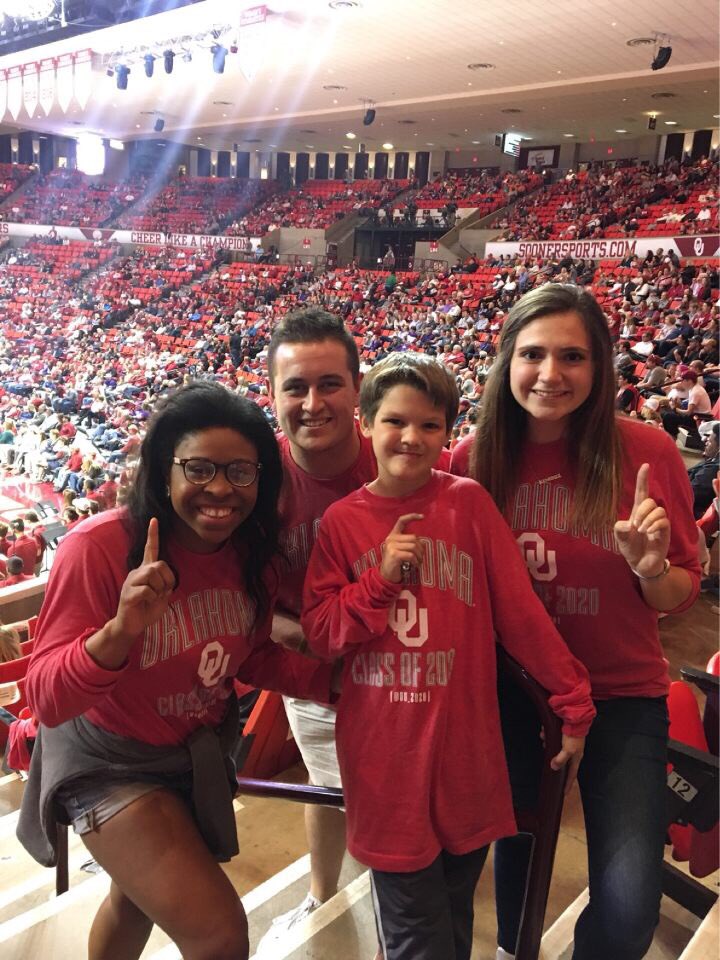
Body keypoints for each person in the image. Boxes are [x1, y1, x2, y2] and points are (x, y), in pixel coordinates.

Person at [17, 382, 334, 960]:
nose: (220, 488)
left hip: (190, 750)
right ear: (165, 471)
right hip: (106, 758)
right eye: (199, 467)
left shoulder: (252, 555)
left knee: (133, 901)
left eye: (241, 471)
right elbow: (46, 699)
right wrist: (120, 632)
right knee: (219, 934)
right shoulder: (99, 546)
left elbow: (252, 655)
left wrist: (337, 686)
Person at [301, 353, 596, 960]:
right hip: (386, 761)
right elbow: (325, 634)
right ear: (367, 423)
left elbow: (520, 615)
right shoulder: (340, 522)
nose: (411, 438)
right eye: (394, 421)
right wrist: (378, 582)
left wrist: (572, 700)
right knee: (417, 939)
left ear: (447, 432)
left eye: (429, 425)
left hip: (466, 755)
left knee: (454, 921)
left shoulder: (469, 504)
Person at [450, 284, 700, 960]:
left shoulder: (647, 451)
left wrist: (649, 566)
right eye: (533, 354)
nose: (551, 374)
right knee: (519, 865)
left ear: (600, 367)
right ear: (506, 361)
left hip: (621, 697)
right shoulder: (469, 461)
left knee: (627, 910)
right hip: (511, 696)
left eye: (572, 356)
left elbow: (675, 595)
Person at [256, 307, 377, 954]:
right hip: (314, 675)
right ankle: (324, 895)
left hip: (402, 669)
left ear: (358, 387)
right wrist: (291, 630)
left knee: (399, 795)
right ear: (272, 396)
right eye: (294, 387)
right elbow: (233, 590)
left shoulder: (404, 457)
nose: (312, 402)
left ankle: (402, 894)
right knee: (329, 787)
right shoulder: (254, 479)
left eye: (329, 383)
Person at [687, 422, 720, 519]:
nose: (705, 441)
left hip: (686, 513)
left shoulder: (713, 470)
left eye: (709, 442)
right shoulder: (712, 460)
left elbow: (689, 494)